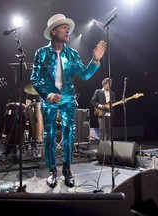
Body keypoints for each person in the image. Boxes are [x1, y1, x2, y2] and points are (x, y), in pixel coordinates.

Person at [30, 14, 107, 188]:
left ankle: (67, 169)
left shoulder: (72, 54)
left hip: (67, 98)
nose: (67, 30)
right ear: (54, 31)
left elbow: (85, 75)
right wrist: (47, 95)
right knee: (49, 134)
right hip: (49, 98)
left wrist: (95, 60)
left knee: (69, 132)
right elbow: (35, 78)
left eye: (68, 27)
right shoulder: (41, 53)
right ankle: (52, 170)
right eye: (63, 27)